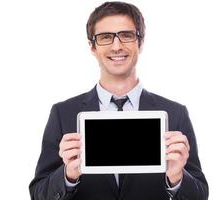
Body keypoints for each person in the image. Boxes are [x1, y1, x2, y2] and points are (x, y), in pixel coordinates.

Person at [29, 1, 208, 200]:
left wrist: (176, 178)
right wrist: (68, 176)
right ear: (92, 47)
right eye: (105, 37)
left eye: (126, 35)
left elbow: (200, 195)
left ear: (140, 42)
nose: (117, 46)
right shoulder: (63, 114)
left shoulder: (175, 114)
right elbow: (38, 194)